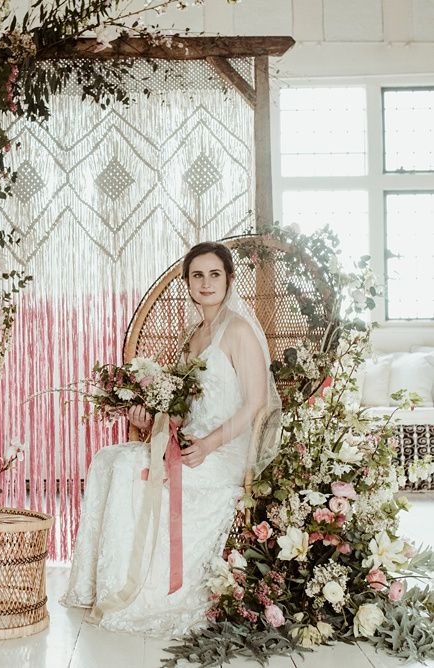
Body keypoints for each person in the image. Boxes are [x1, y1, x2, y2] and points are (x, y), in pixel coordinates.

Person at [61, 241, 281, 638]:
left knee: (131, 466)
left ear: (229, 279)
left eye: (215, 274)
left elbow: (255, 404)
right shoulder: (191, 334)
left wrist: (210, 444)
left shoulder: (239, 331)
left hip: (223, 450)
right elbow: (182, 407)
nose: (206, 282)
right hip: (188, 442)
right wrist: (147, 416)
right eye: (197, 275)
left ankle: (145, 593)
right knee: (109, 457)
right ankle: (100, 584)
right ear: (187, 283)